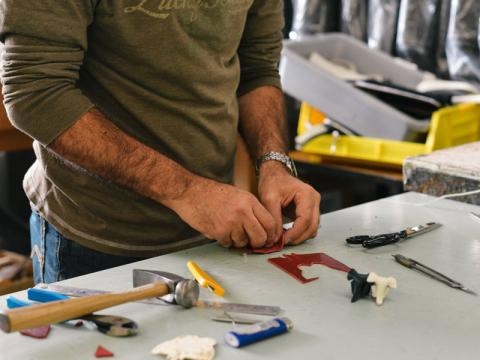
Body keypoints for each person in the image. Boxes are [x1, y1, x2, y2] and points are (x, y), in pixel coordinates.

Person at [0, 1, 321, 284]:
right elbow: (37, 94)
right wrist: (186, 191)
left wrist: (274, 164)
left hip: (214, 231)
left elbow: (257, 68)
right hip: (96, 240)